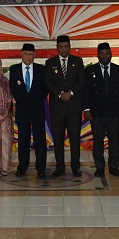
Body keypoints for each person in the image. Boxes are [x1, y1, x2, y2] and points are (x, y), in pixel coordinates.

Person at [83, 42, 119, 177]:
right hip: (96, 112)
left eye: (107, 53)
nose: (104, 56)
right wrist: (86, 109)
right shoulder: (90, 70)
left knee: (114, 140)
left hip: (115, 112)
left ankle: (114, 167)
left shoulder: (118, 70)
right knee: (98, 141)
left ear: (111, 54)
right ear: (97, 55)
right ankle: (99, 167)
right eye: (102, 53)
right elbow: (86, 92)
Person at [44, 35, 86, 177]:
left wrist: (71, 93)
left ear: (70, 47)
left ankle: (75, 167)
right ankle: (60, 167)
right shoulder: (50, 62)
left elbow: (82, 81)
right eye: (61, 47)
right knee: (58, 138)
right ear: (57, 48)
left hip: (74, 108)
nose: (63, 49)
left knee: (75, 138)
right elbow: (47, 82)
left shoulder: (77, 61)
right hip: (57, 108)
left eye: (66, 46)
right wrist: (60, 93)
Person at [10, 43, 49, 178]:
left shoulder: (41, 69)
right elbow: (13, 89)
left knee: (40, 141)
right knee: (23, 141)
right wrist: (23, 100)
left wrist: (34, 100)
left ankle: (41, 168)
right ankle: (22, 167)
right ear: (21, 54)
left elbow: (45, 89)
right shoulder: (14, 69)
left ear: (34, 55)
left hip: (37, 110)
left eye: (30, 54)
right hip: (22, 110)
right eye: (25, 54)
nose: (28, 57)